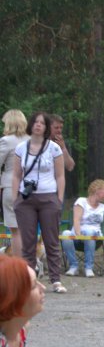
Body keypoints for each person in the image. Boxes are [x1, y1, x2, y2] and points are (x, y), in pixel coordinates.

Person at [11, 112, 66, 293]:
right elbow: (16, 175)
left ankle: (56, 280)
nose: (38, 125)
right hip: (26, 200)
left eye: (42, 123)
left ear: (47, 127)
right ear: (30, 125)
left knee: (51, 240)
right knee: (28, 242)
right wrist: (15, 199)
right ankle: (29, 280)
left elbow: (60, 175)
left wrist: (59, 199)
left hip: (49, 197)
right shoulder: (21, 148)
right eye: (35, 122)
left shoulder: (54, 148)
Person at [0, 110, 29, 257]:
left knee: (15, 230)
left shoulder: (6, 141)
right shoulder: (33, 140)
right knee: (27, 229)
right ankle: (31, 265)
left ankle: (19, 266)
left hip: (11, 187)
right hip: (31, 189)